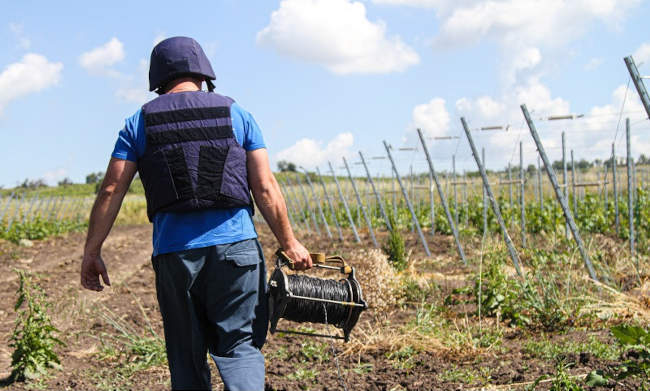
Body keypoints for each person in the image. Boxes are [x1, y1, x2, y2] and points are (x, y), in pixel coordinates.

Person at [80, 36, 312, 391]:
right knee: (239, 348)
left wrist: (92, 251)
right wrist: (290, 242)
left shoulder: (138, 122)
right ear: (204, 74)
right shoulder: (237, 114)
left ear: (157, 79)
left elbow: (112, 187)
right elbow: (265, 187)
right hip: (236, 251)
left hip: (175, 256)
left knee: (186, 358)